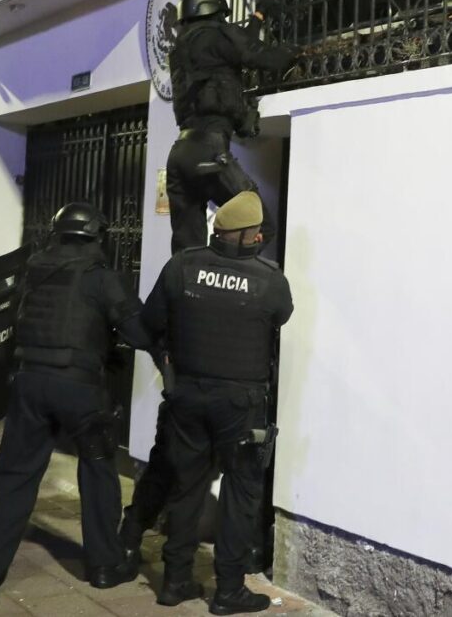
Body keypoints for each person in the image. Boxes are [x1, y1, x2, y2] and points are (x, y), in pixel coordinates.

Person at [0, 202, 162, 600]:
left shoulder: (34, 267)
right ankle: (105, 568)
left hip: (29, 383)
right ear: (96, 235)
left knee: (15, 479)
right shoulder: (102, 277)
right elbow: (142, 334)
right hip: (81, 390)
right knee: (97, 477)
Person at [139, 191, 293, 612]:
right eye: (257, 232)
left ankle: (174, 582)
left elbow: (149, 321)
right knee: (241, 493)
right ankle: (228, 591)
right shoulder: (269, 280)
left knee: (186, 486)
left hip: (187, 396)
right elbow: (282, 316)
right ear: (248, 235)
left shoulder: (182, 265)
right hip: (240, 404)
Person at [166, 0, 297, 253]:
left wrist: (258, 16)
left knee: (186, 247)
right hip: (210, 152)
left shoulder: (182, 49)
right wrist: (295, 52)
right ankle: (222, 282)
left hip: (181, 153)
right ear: (216, 12)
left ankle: (192, 284)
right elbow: (258, 55)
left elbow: (236, 49)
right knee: (260, 226)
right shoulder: (216, 35)